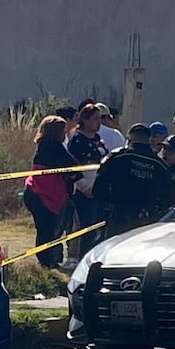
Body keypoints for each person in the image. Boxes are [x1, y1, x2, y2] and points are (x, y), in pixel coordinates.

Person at [92, 123, 173, 238]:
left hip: (118, 217)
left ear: (129, 138)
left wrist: (113, 201)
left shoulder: (116, 158)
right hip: (147, 219)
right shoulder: (160, 165)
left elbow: (98, 190)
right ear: (149, 139)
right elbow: (167, 198)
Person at [23, 116, 82, 269]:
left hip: (35, 192)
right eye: (62, 130)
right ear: (55, 132)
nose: (65, 133)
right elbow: (73, 166)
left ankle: (47, 261)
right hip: (43, 195)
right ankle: (46, 262)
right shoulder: (53, 147)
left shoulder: (42, 146)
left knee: (45, 229)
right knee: (47, 230)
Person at [67, 104, 109, 256]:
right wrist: (84, 187)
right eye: (95, 119)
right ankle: (81, 258)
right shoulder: (77, 140)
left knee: (100, 227)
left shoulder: (98, 139)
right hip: (84, 191)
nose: (99, 123)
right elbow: (71, 167)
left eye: (100, 119)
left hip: (99, 188)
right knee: (87, 228)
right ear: (84, 120)